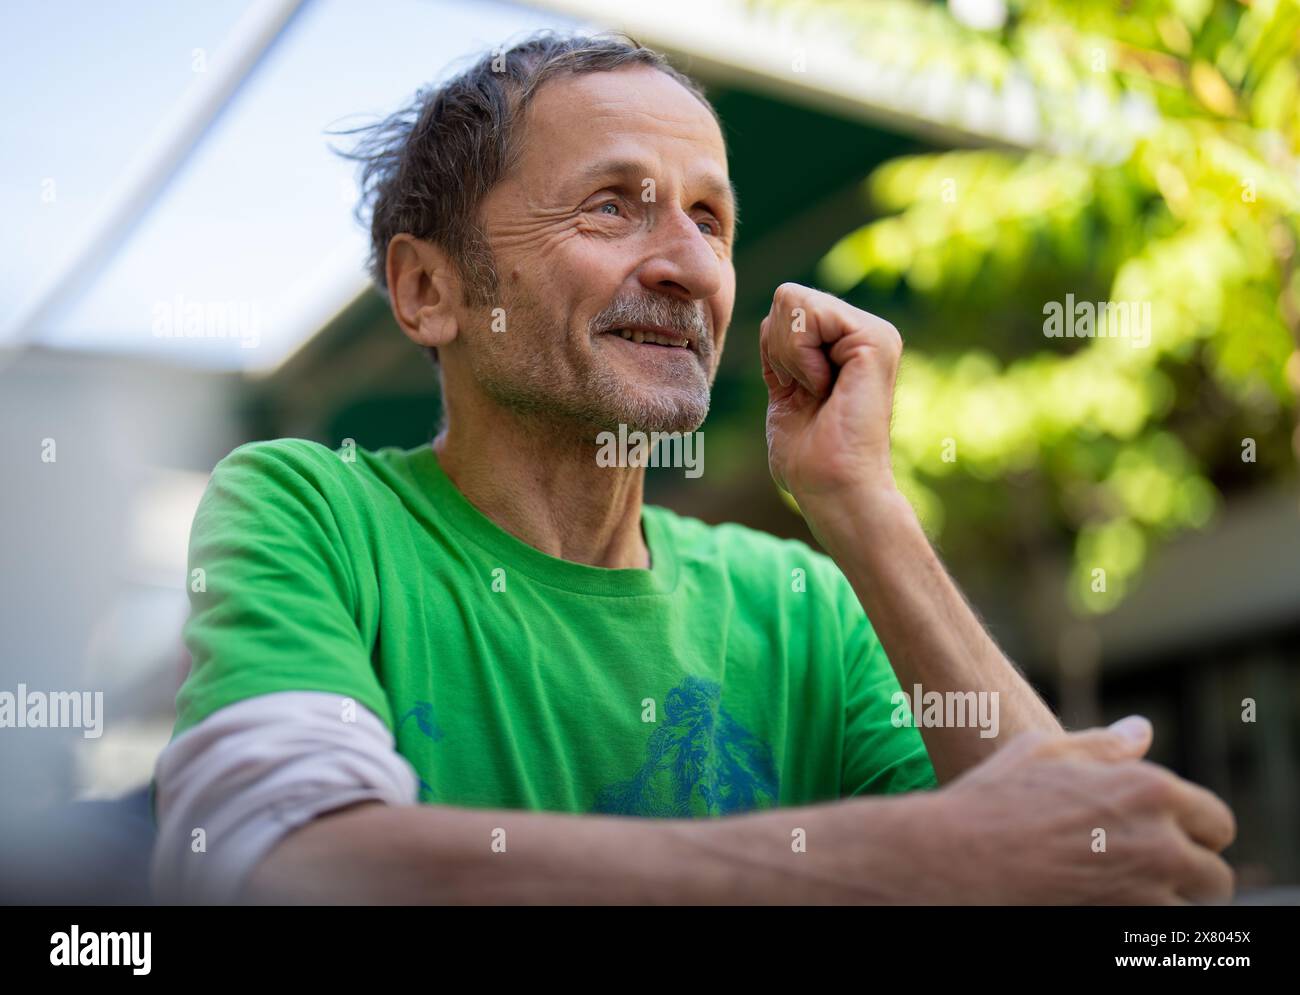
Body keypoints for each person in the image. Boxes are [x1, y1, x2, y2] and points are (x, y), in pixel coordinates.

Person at [150, 31, 1235, 905]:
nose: (687, 267)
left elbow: (1102, 884)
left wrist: (857, 497)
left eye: (709, 218)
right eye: (612, 204)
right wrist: (912, 856)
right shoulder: (310, 508)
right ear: (429, 290)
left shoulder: (800, 596)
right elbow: (281, 863)